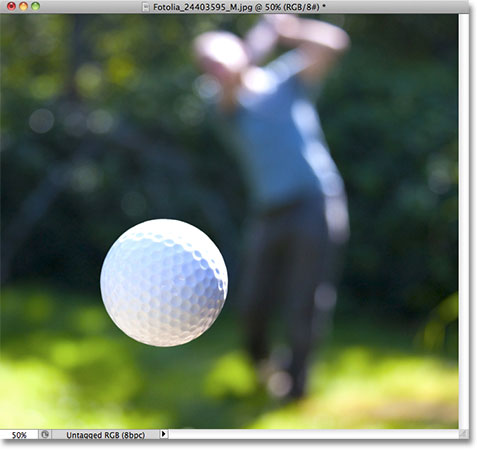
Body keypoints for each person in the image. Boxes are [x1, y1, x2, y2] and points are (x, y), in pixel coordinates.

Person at [193, 15, 350, 399]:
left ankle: (296, 386)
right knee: (253, 304)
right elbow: (234, 78)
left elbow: (335, 43)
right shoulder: (222, 104)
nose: (215, 68)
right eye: (207, 65)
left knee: (305, 301)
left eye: (217, 58)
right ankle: (263, 366)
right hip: (269, 213)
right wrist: (259, 40)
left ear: (236, 48)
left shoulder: (285, 81)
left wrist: (290, 29)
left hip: (316, 201)